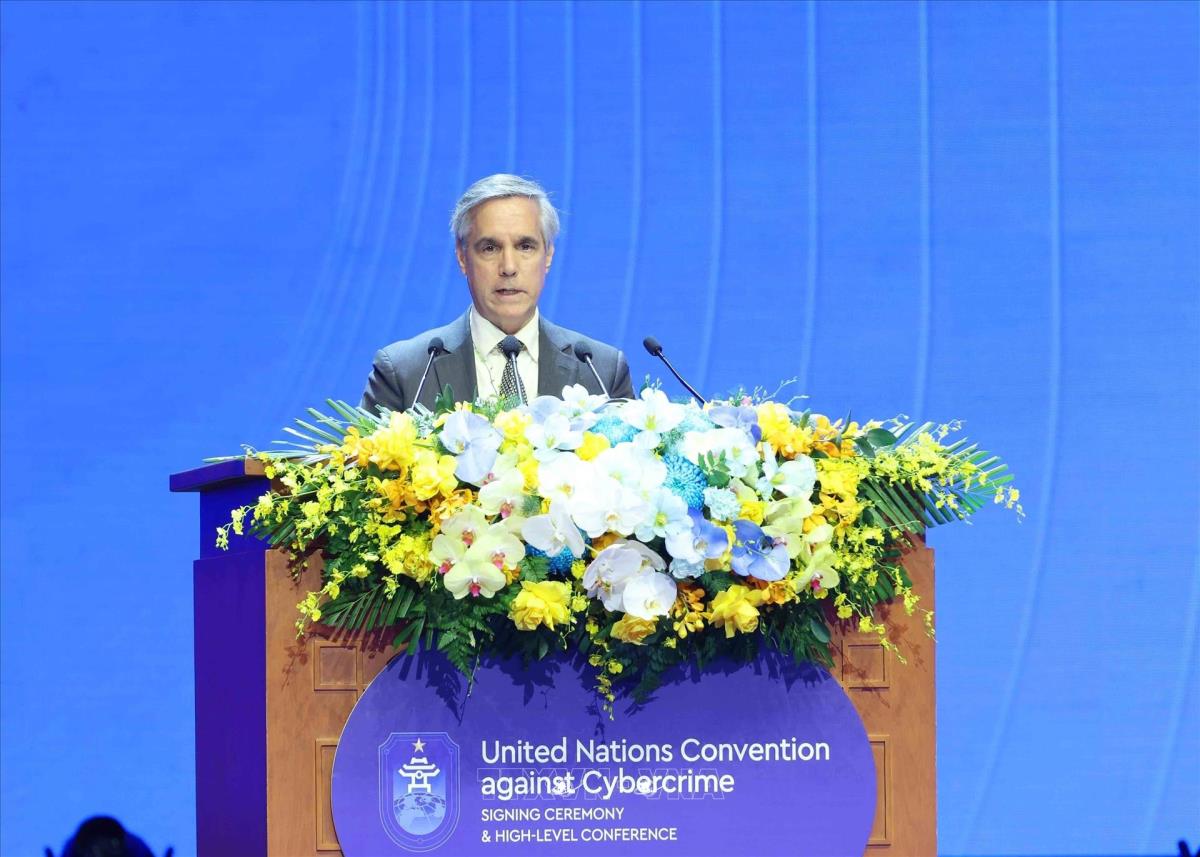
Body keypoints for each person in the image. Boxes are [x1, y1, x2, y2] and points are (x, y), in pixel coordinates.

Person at [360, 174, 634, 413]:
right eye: (490, 248)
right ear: (462, 257)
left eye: (525, 246)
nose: (509, 267)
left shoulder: (601, 371)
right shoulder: (405, 373)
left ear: (548, 255)